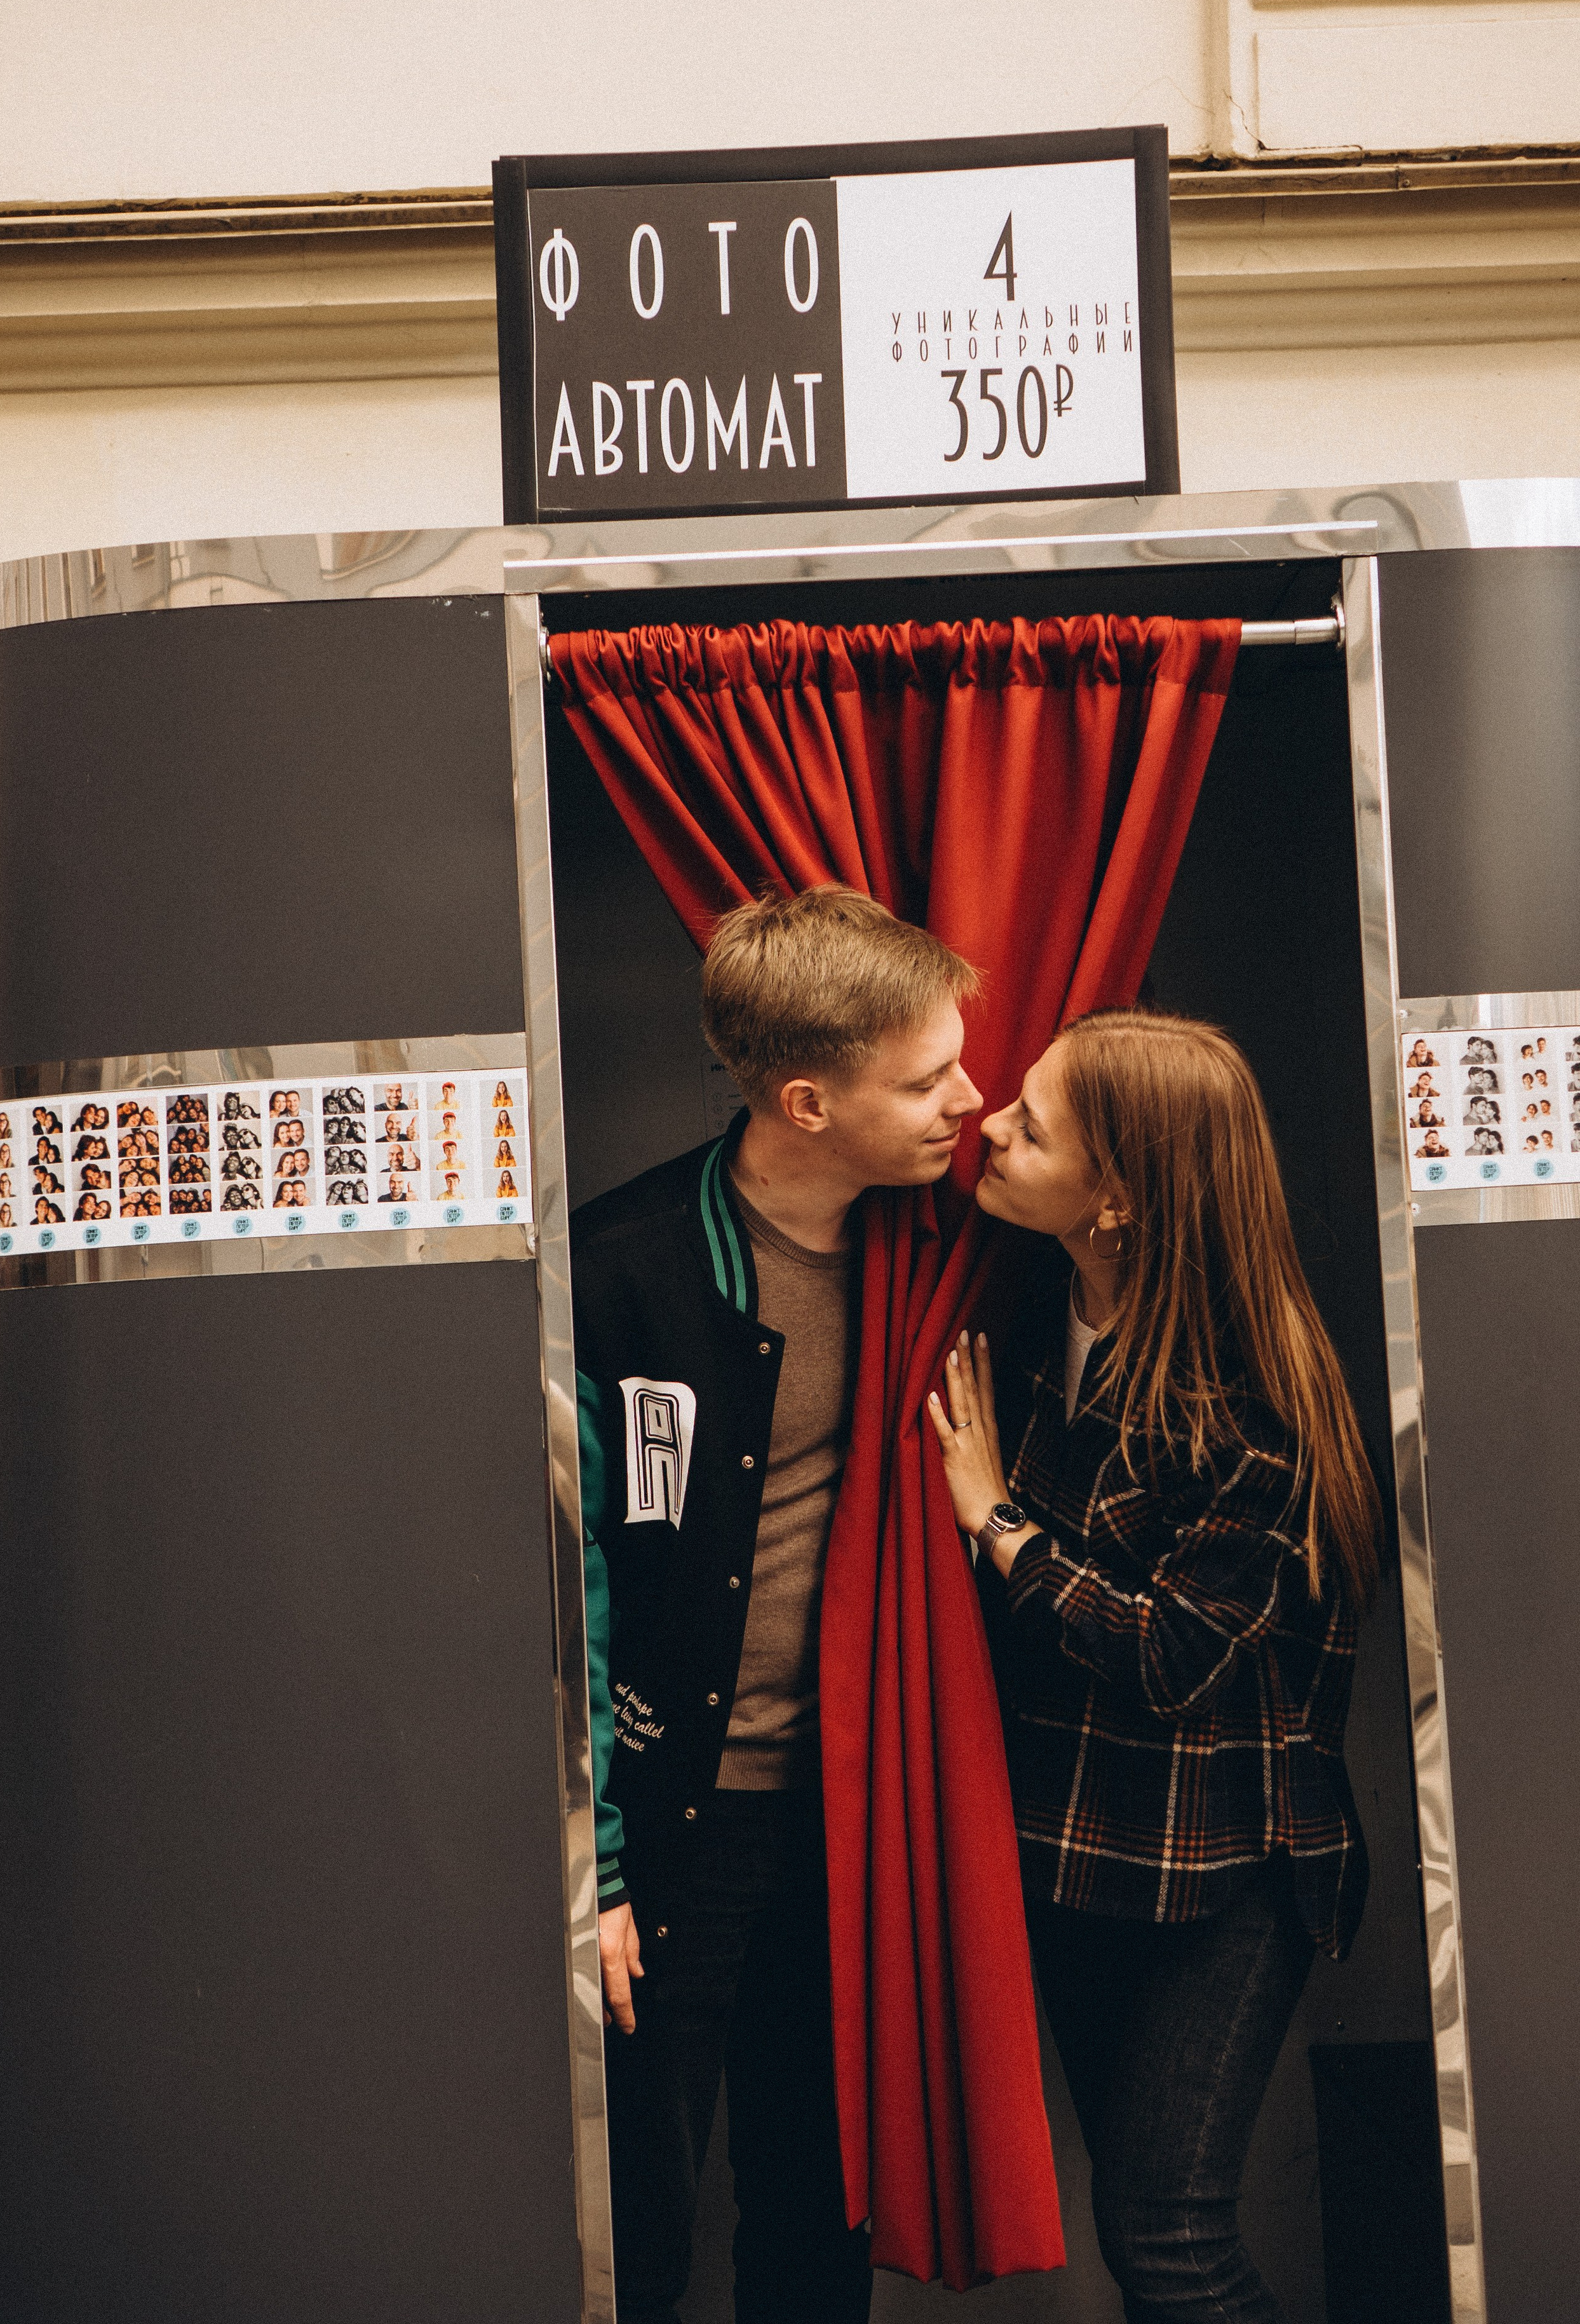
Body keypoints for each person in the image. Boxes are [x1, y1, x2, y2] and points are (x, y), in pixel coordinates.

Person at [927, 1009, 1384, 2324]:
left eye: (1029, 1123)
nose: (988, 1126)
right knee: (1137, 2236)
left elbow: (1167, 1654)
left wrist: (996, 1520)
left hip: (1228, 1869)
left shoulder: (1248, 1410)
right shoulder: (1020, 1314)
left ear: (1117, 1196)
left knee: (1166, 2235)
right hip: (1071, 1846)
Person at [572, 885, 983, 2324]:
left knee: (816, 2215)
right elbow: (566, 1588)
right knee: (638, 2219)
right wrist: (597, 1866)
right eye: (926, 1078)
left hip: (847, 1816)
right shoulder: (615, 1271)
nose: (967, 1100)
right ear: (806, 1103)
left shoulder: (930, 1258)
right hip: (669, 1826)